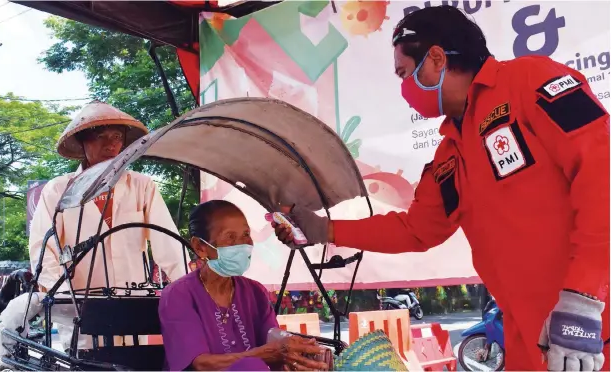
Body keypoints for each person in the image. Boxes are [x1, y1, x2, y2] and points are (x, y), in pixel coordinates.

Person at [273, 6, 609, 372]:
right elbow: (416, 229)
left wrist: (583, 299)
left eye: (404, 73)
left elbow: (601, 171)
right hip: (530, 339)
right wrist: (324, 229)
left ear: (435, 59)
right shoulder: (448, 156)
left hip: (592, 322)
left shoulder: (528, 82)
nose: (403, 88)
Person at [29, 100, 189, 349]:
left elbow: (167, 241)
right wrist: (61, 297)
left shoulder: (141, 186)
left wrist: (189, 291)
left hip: (132, 304)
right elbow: (44, 247)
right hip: (82, 309)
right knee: (85, 363)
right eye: (100, 136)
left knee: (134, 362)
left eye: (117, 136)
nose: (111, 144)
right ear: (83, 142)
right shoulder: (59, 189)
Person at [159, 200, 328, 371]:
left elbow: (274, 343)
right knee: (250, 366)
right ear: (200, 247)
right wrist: (266, 354)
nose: (244, 244)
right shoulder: (179, 294)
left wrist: (295, 354)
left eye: (246, 234)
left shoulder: (255, 292)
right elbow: (201, 364)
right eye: (231, 237)